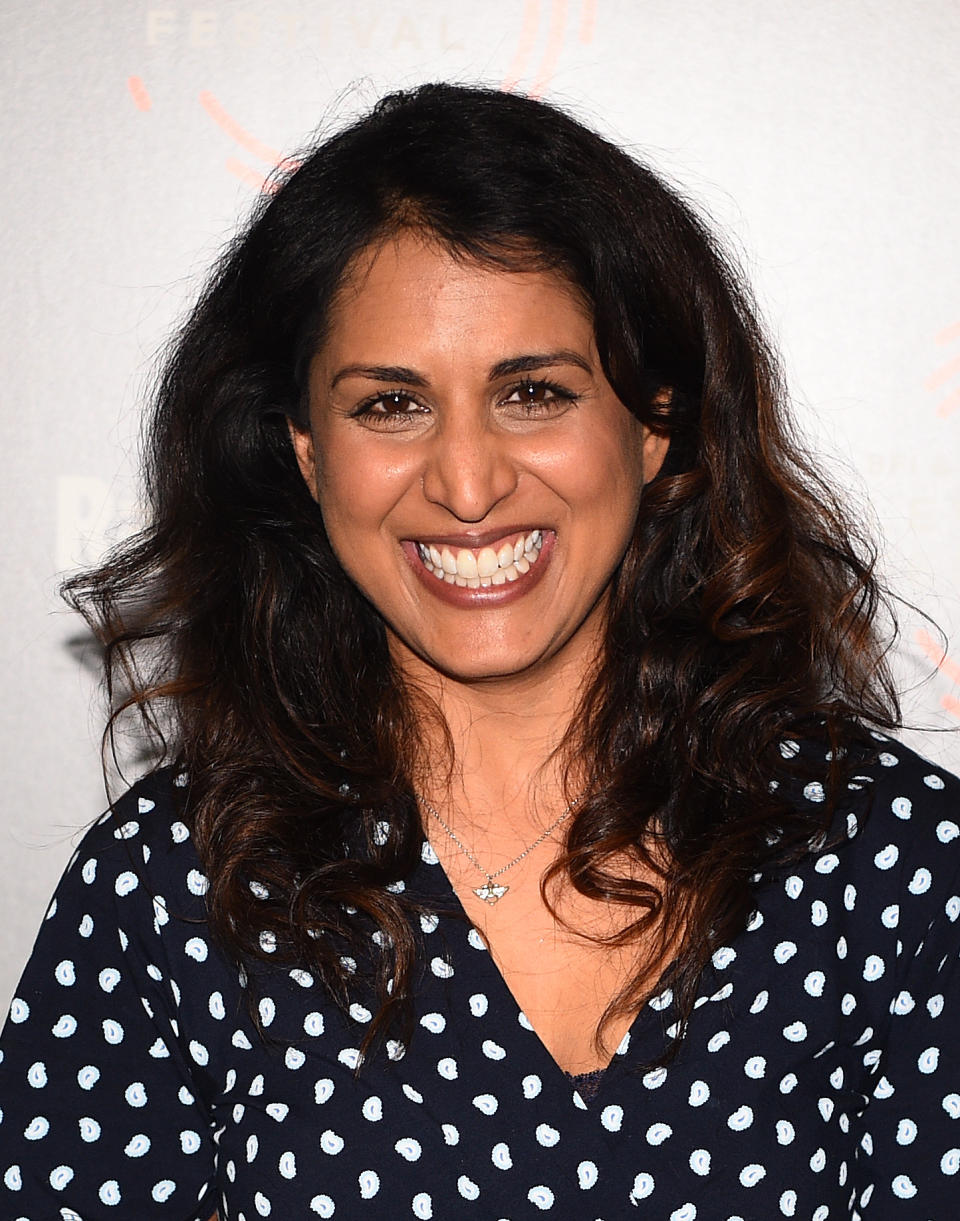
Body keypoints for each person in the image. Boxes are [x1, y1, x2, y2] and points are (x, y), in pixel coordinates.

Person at [1, 82, 958, 1221]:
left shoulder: (896, 870)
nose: (467, 485)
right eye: (391, 405)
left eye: (533, 393)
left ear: (653, 423)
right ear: (305, 453)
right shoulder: (173, 886)